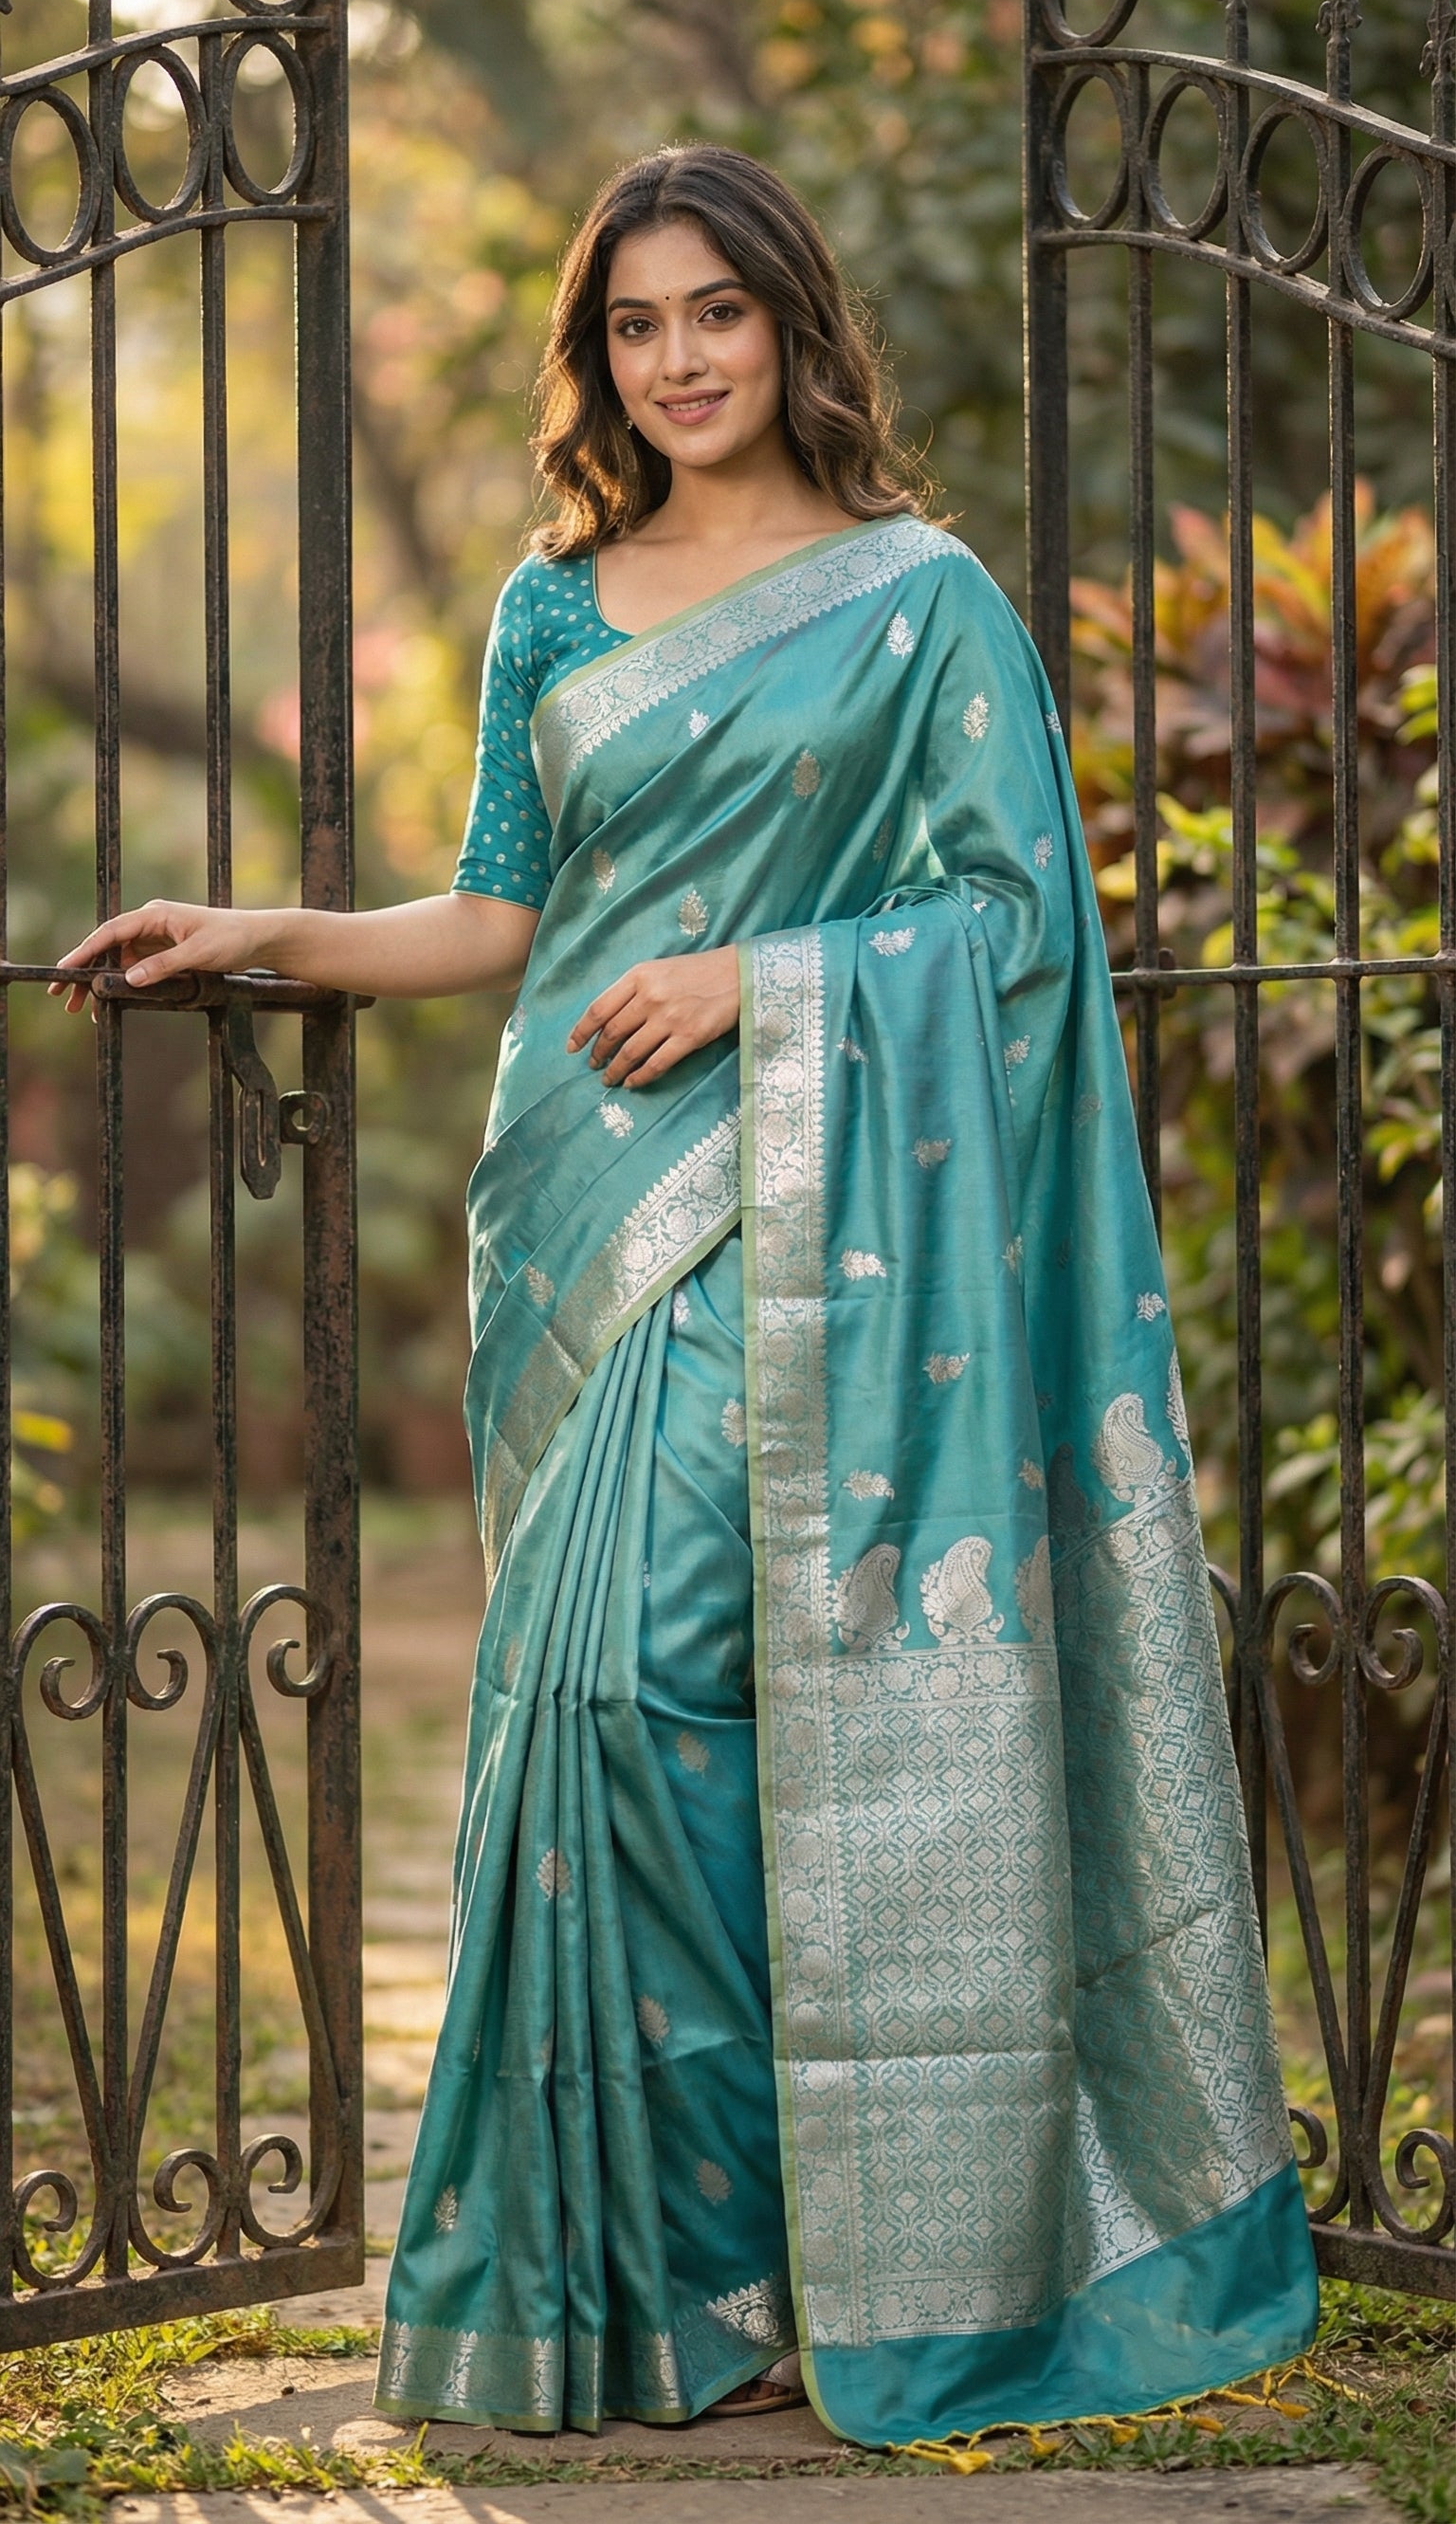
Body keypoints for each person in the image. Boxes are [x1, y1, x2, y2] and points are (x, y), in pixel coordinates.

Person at [54, 145, 1317, 2451]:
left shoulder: (918, 599)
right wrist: (258, 934)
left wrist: (766, 975)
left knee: (670, 1684)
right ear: (599, 356)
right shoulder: (555, 603)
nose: (678, 358)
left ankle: (820, 2248)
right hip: (575, 1203)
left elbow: (1017, 927)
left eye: (714, 311)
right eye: (635, 326)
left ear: (790, 320)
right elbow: (500, 919)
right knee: (582, 1719)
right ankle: (666, 2289)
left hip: (808, 1196)